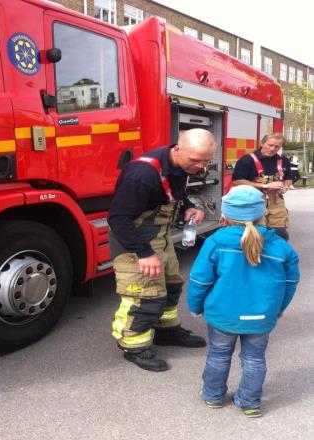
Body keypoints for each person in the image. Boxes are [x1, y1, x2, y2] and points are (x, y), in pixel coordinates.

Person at [109, 128, 217, 372]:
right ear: (177, 149)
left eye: (206, 161)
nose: (200, 167)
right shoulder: (142, 174)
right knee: (144, 294)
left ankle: (166, 331)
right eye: (195, 160)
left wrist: (189, 206)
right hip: (135, 241)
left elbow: (172, 194)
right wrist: (143, 253)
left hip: (161, 237)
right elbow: (118, 218)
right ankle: (133, 344)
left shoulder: (179, 166)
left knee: (171, 285)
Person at [187, 185, 299, 418]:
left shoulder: (216, 242)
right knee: (254, 358)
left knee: (218, 355)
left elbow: (200, 280)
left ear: (224, 216)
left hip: (222, 315)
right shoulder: (280, 246)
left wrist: (195, 306)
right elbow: (290, 282)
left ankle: (213, 395)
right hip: (261, 316)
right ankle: (249, 402)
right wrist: (278, 309)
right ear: (262, 214)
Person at [232, 133, 292, 240]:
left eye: (277, 147)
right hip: (254, 202)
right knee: (257, 236)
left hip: (277, 204)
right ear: (262, 143)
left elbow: (288, 178)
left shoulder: (283, 160)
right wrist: (265, 185)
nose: (273, 149)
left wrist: (285, 186)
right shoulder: (247, 160)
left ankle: (277, 255)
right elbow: (237, 181)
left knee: (280, 236)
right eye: (270, 145)